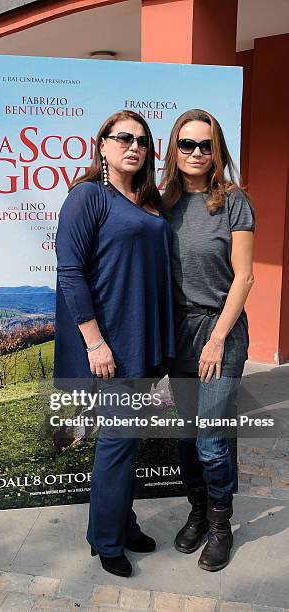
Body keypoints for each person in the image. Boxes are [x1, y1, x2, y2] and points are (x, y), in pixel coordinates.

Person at [54, 110, 175, 577]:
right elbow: (70, 272)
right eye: (123, 137)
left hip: (144, 338)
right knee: (119, 440)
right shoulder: (87, 197)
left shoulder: (148, 201)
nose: (134, 146)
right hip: (111, 343)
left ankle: (123, 524)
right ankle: (106, 540)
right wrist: (94, 343)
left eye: (142, 140)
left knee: (128, 442)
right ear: (101, 144)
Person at [162, 109, 255, 572]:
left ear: (217, 150)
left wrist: (217, 339)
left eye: (205, 145)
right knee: (185, 434)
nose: (196, 153)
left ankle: (221, 524)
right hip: (179, 333)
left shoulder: (234, 201)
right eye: (187, 145)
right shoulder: (163, 204)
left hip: (221, 330)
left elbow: (244, 278)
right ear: (173, 151)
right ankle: (197, 513)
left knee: (212, 440)